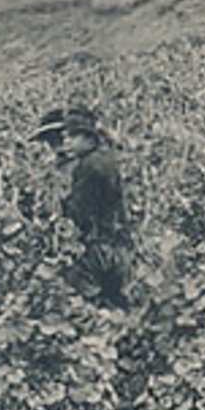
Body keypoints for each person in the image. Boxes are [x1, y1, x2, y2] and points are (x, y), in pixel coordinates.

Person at [59, 106, 133, 308]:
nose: (66, 142)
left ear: (89, 138)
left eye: (72, 136)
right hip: (119, 242)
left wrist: (63, 209)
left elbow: (80, 213)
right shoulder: (107, 159)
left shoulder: (87, 166)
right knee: (118, 299)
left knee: (83, 295)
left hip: (99, 245)